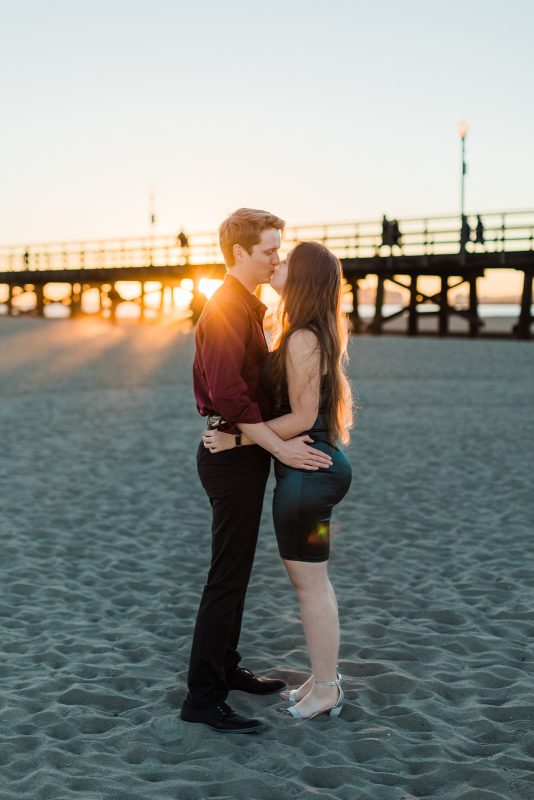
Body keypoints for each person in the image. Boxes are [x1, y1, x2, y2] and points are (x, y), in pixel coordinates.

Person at [181, 209, 334, 735]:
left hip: (241, 450)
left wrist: (263, 443)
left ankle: (225, 667)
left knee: (237, 573)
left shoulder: (250, 307)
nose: (276, 258)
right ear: (239, 253)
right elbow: (228, 396)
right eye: (269, 250)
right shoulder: (226, 307)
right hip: (229, 459)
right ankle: (203, 698)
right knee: (225, 576)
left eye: (279, 249)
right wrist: (280, 447)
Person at [204, 241, 353, 721]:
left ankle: (328, 687)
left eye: (287, 260)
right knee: (313, 582)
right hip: (314, 472)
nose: (277, 263)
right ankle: (321, 677)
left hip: (309, 477)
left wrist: (238, 442)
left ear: (303, 277)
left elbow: (304, 417)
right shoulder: (310, 331)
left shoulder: (303, 338)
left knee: (311, 585)